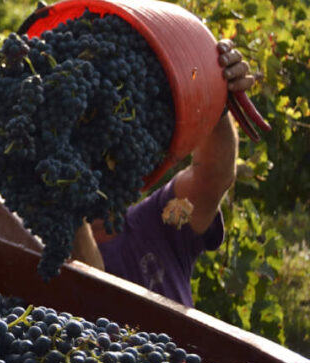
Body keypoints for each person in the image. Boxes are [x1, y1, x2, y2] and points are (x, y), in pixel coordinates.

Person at [71, 39, 254, 307]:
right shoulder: (40, 249)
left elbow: (212, 179)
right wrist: (64, 198)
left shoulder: (160, 221)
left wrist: (215, 96)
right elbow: (93, 295)